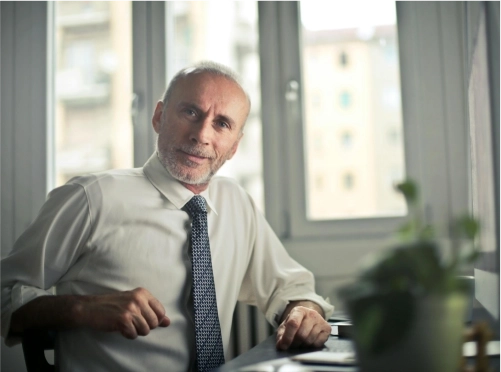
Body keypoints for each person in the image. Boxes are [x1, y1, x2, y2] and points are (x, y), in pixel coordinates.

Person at [0, 61, 333, 371]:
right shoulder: (91, 198)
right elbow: (4, 291)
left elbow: (290, 286)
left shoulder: (237, 203)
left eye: (221, 124)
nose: (202, 135)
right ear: (159, 116)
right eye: (190, 111)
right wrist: (82, 309)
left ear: (233, 146)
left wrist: (304, 311)